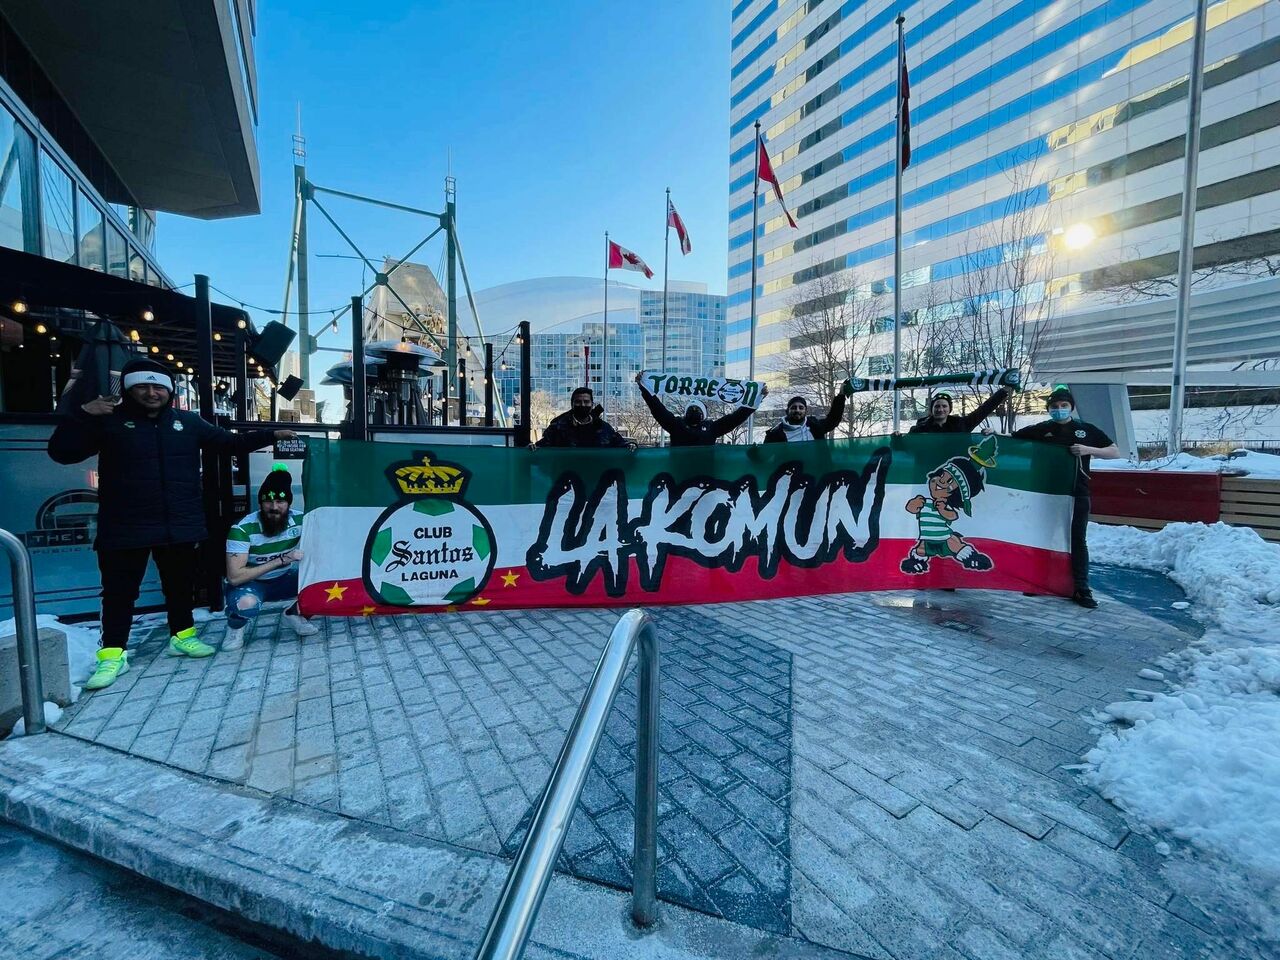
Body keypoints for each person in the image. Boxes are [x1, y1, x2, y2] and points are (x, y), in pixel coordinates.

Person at [48, 357, 292, 690]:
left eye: (158, 387)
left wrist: (272, 434)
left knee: (179, 585)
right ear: (130, 389)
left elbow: (229, 442)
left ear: (169, 391)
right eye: (143, 387)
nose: (151, 393)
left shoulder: (187, 422)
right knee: (119, 593)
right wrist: (83, 415)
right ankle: (112, 654)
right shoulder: (108, 421)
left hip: (178, 521)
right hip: (125, 525)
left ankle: (182, 636)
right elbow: (61, 453)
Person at [1012, 385, 1120, 609]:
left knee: (1077, 539)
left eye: (1063, 405)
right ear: (1049, 409)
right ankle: (1038, 581)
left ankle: (1081, 588)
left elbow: (1114, 451)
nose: (1059, 409)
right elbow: (1011, 440)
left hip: (1077, 493)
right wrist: (989, 434)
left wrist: (1089, 450)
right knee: (1043, 537)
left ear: (1071, 407)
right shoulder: (1042, 429)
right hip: (1047, 494)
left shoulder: (1085, 430)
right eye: (1054, 406)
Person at [223, 465, 318, 651]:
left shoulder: (301, 520)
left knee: (325, 584)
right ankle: (235, 627)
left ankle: (294, 614)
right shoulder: (242, 529)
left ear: (289, 503)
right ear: (260, 503)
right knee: (246, 604)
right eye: (268, 501)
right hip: (251, 583)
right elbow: (234, 577)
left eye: (280, 501)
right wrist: (281, 560)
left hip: (283, 579)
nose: (274, 507)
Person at [634, 371, 765, 446]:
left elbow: (735, 418)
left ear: (704, 415)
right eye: (692, 409)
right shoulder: (676, 425)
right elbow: (658, 409)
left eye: (697, 409)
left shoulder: (712, 428)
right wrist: (644, 387)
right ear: (686, 413)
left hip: (706, 478)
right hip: (679, 476)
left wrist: (755, 400)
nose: (694, 411)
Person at [537, 387, 635, 449]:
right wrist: (532, 448)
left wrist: (631, 446)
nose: (582, 405)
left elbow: (620, 443)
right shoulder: (558, 427)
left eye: (586, 402)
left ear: (592, 404)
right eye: (578, 402)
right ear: (572, 404)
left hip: (596, 474)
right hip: (567, 474)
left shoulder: (603, 427)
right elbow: (542, 446)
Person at [763, 383, 853, 443]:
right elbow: (763, 457)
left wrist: (841, 395)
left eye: (801, 408)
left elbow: (833, 419)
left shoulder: (815, 426)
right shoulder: (775, 434)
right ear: (787, 411)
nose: (797, 410)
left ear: (806, 411)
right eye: (793, 407)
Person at [909, 388, 1011, 434]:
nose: (940, 409)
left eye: (944, 406)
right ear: (932, 409)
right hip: (930, 469)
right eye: (937, 406)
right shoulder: (921, 427)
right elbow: (908, 445)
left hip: (956, 468)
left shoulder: (961, 424)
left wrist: (1004, 391)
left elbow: (984, 409)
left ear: (949, 409)